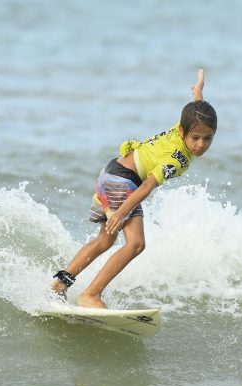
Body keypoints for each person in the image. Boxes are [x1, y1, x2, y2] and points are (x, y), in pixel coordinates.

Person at [50, 69, 217, 308]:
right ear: (183, 132)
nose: (200, 145)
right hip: (124, 183)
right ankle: (91, 295)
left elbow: (197, 107)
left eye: (208, 139)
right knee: (136, 243)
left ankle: (59, 285)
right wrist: (120, 213)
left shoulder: (190, 120)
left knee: (105, 241)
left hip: (111, 173)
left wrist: (198, 89)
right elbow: (148, 185)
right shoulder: (178, 157)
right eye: (196, 138)